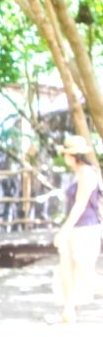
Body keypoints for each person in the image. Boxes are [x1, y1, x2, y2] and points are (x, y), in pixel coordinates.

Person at [52, 134, 102, 323]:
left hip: (86, 229)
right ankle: (68, 310)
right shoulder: (77, 174)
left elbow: (80, 205)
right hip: (75, 228)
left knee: (84, 271)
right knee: (66, 267)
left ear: (73, 156)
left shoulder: (88, 173)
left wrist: (64, 230)